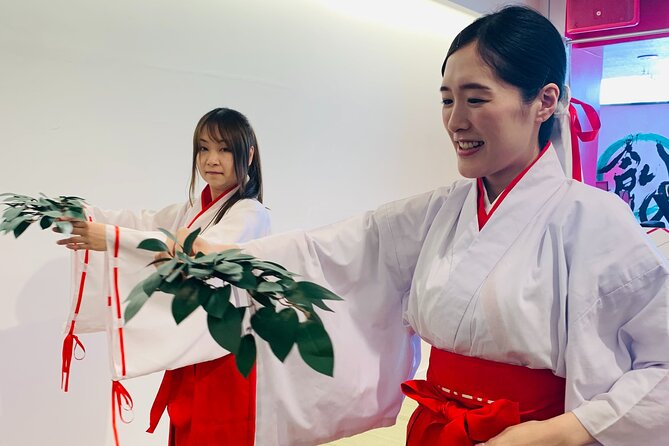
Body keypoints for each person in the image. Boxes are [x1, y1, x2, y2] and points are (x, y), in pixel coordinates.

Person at [166, 6, 668, 446]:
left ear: (543, 101)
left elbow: (661, 365)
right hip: (433, 428)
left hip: (533, 436)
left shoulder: (593, 220)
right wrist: (214, 255)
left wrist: (568, 430)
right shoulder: (439, 212)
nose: (454, 120)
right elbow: (334, 251)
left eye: (476, 98)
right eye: (448, 99)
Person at [56, 107, 271, 446]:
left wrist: (109, 238)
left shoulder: (250, 212)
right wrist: (82, 216)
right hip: (190, 348)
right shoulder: (191, 209)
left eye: (225, 148)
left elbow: (198, 250)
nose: (212, 159)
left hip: (226, 355)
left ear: (249, 153)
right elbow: (141, 223)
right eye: (203, 148)